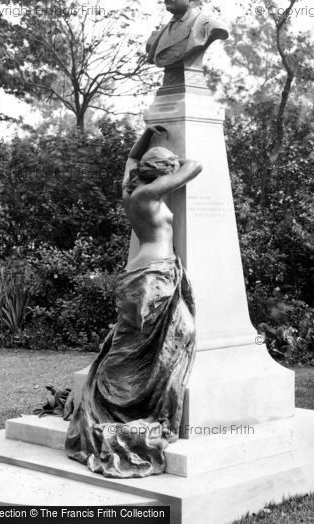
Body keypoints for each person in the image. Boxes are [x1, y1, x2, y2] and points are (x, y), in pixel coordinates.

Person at [64, 125, 202, 478]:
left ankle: (113, 396)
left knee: (135, 344)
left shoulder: (133, 190)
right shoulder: (148, 194)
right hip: (152, 277)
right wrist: (178, 154)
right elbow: (195, 166)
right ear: (158, 174)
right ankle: (115, 403)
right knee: (147, 344)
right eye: (165, 168)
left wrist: (146, 135)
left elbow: (131, 159)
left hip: (143, 273)